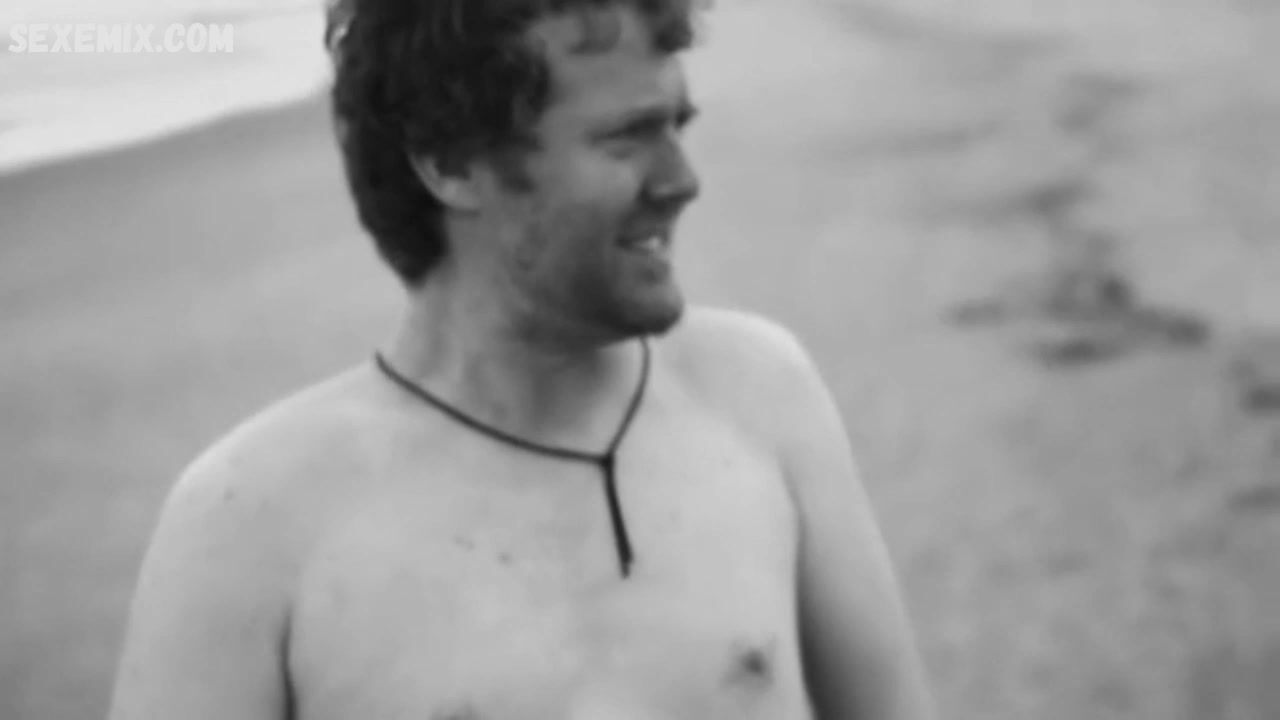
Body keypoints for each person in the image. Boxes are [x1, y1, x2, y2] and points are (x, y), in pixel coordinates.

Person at [107, 1, 936, 718]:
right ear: (451, 163)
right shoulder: (248, 519)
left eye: (676, 127)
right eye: (627, 137)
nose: (682, 181)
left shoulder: (760, 395)